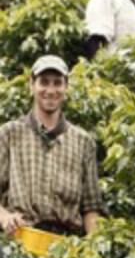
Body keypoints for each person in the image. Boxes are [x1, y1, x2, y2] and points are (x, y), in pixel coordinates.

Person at [0, 55, 103, 239]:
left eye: (57, 83)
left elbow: (91, 207)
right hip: (21, 240)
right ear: (31, 85)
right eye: (44, 82)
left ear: (66, 87)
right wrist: (5, 217)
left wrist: (92, 248)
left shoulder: (83, 141)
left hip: (66, 247)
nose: (50, 90)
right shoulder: (9, 134)